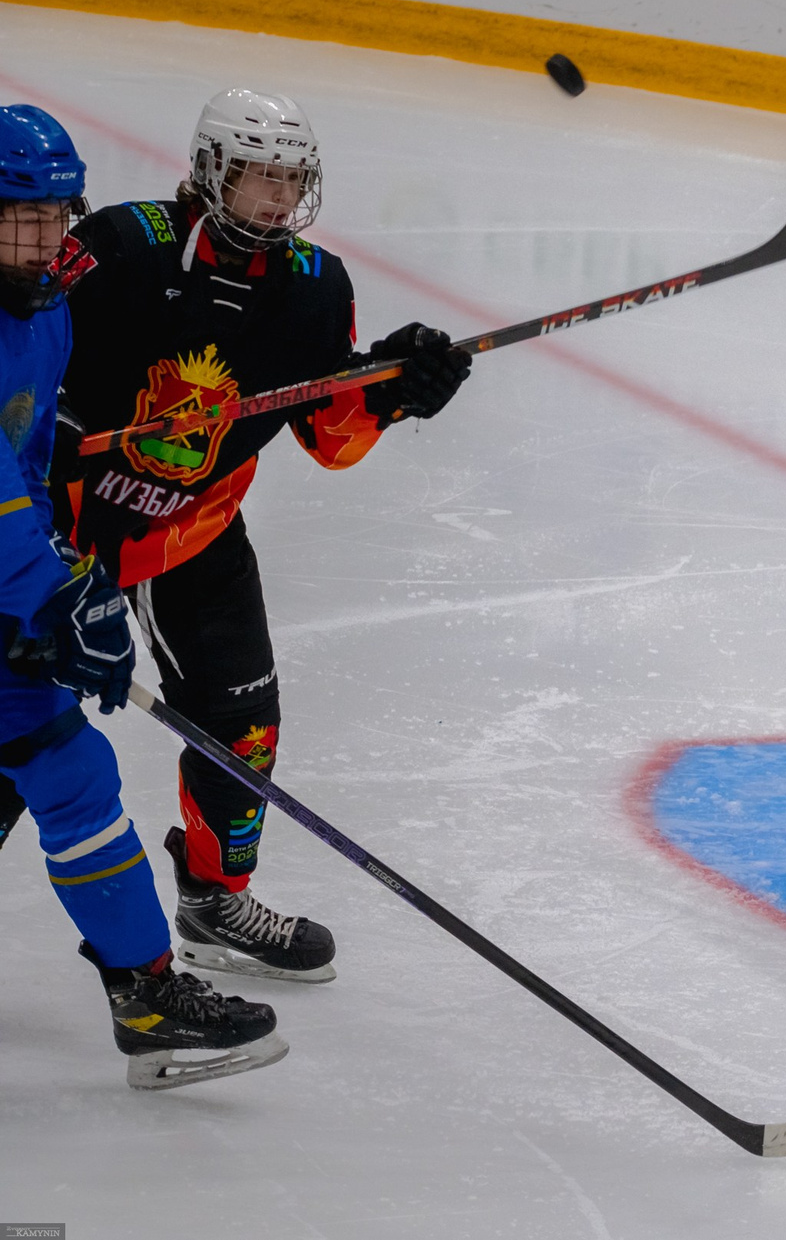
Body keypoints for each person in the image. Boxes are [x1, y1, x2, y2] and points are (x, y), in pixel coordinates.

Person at [47, 88, 472, 983]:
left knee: (242, 724)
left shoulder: (317, 289)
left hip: (193, 530)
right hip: (66, 526)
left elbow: (329, 436)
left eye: (292, 179)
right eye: (259, 177)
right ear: (212, 172)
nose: (279, 198)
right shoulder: (120, 246)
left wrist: (391, 389)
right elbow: (27, 363)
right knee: (24, 726)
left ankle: (213, 899)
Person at [0, 102, 285, 1088]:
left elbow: (28, 466)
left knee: (66, 769)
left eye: (57, 214)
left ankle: (149, 993)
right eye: (21, 216)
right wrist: (52, 597)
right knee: (61, 766)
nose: (45, 237)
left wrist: (59, 577)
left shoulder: (45, 308)